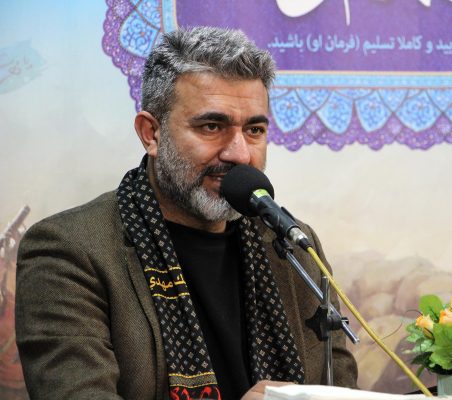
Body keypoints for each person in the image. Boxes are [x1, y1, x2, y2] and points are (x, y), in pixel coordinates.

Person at [15, 27, 357, 400]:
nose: (240, 154)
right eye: (212, 126)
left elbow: (341, 391)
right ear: (151, 133)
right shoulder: (68, 251)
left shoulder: (292, 247)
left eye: (255, 130)